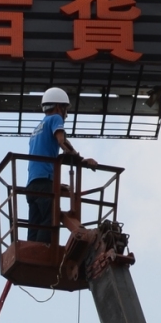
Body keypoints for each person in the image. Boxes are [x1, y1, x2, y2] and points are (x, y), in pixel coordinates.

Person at [25, 86, 100, 242]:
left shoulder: (36, 129)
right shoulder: (56, 118)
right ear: (59, 107)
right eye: (66, 109)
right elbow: (62, 141)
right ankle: (43, 252)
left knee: (35, 224)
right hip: (45, 182)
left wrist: (57, 184)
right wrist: (80, 160)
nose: (66, 115)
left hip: (32, 185)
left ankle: (31, 250)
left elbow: (42, 157)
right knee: (49, 219)